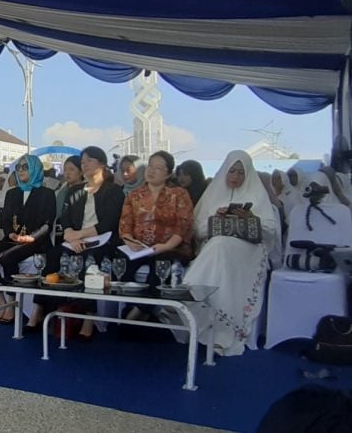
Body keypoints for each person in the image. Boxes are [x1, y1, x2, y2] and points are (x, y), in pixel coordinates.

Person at [181, 151, 279, 356]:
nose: (235, 176)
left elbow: (270, 231)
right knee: (219, 245)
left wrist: (249, 218)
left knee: (219, 246)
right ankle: (195, 307)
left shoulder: (256, 194)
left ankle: (220, 328)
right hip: (216, 247)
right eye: (232, 171)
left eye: (241, 173)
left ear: (248, 174)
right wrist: (217, 220)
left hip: (248, 249)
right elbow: (197, 230)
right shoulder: (212, 194)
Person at [28, 146, 124, 340]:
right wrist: (71, 234)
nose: (85, 164)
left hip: (101, 238)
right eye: (83, 161)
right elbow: (65, 218)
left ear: (102, 164)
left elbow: (109, 222)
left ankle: (88, 318)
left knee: (90, 261)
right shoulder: (76, 190)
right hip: (75, 238)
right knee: (53, 257)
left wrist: (80, 235)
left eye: (89, 160)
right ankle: (39, 310)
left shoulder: (114, 191)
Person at [117, 151, 194, 320]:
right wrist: (130, 242)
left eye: (158, 168)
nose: (152, 170)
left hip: (171, 247)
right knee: (122, 265)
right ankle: (130, 308)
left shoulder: (179, 194)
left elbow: (183, 225)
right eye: (150, 166)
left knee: (160, 268)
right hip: (140, 247)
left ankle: (137, 313)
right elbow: (125, 224)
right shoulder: (134, 195)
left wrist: (166, 246)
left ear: (168, 174)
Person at [0, 154, 56, 321]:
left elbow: (47, 224)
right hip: (13, 238)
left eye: (25, 167)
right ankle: (2, 302)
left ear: (35, 169)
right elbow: (6, 219)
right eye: (18, 167)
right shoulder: (12, 193)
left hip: (36, 241)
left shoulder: (47, 194)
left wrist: (30, 238)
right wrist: (10, 233)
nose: (20, 170)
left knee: (8, 258)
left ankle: (11, 304)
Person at [54, 155, 84, 222]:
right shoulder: (60, 191)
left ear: (81, 172)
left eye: (71, 169)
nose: (67, 173)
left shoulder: (86, 192)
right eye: (65, 170)